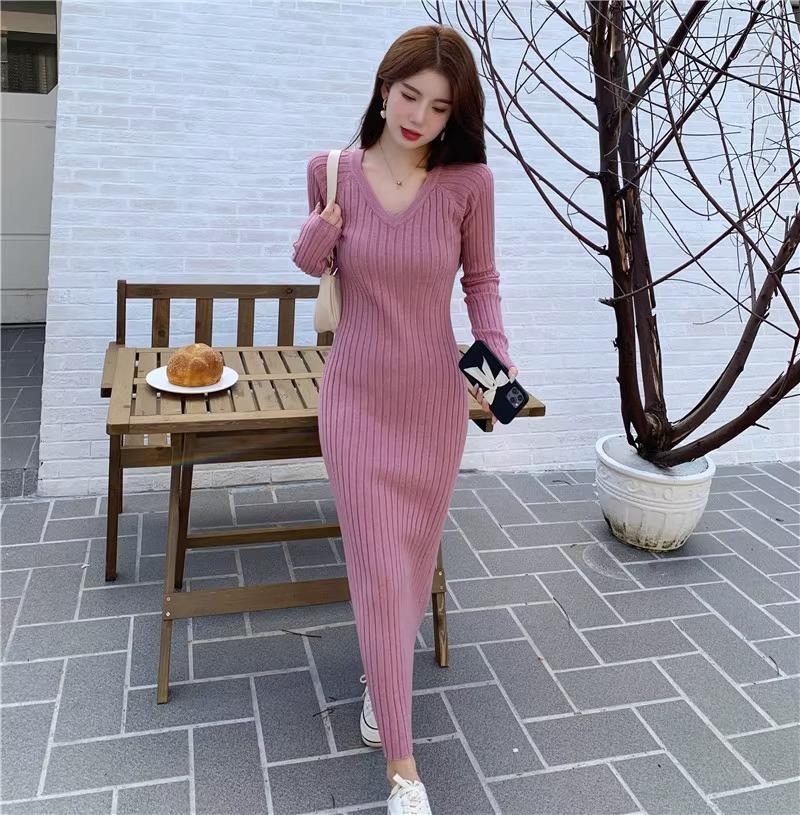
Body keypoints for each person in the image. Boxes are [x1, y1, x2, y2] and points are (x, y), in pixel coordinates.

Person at [291, 23, 518, 815]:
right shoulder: (331, 171)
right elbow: (309, 263)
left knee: (412, 564)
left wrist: (497, 371)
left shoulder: (468, 185)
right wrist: (325, 226)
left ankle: (378, 675)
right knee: (378, 565)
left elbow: (481, 284)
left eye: (439, 106)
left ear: (457, 114)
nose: (419, 116)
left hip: (432, 403)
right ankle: (403, 771)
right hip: (355, 400)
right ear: (384, 89)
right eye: (409, 95)